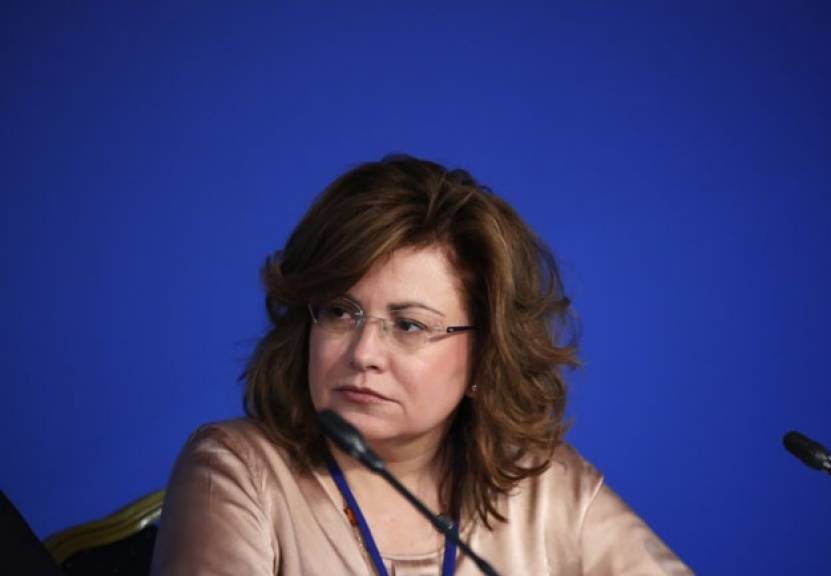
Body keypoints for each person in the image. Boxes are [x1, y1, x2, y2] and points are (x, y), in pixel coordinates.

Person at [152, 155, 693, 575]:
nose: (363, 354)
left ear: (486, 355)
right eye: (340, 312)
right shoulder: (239, 471)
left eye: (409, 325)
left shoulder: (549, 488)